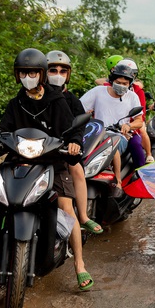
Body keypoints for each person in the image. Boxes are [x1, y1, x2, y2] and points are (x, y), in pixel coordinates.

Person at [0, 48, 93, 292]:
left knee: (67, 209)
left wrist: (74, 143)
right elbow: (3, 132)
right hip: (19, 161)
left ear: (42, 74)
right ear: (18, 75)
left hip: (54, 162)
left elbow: (73, 129)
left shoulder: (57, 102)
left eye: (33, 72)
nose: (28, 76)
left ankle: (79, 263)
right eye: (24, 72)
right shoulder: (16, 104)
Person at [46, 50, 104, 235]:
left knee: (77, 169)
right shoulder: (35, 96)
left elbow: (79, 127)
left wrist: (75, 143)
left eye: (63, 71)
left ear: (68, 75)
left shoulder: (72, 100)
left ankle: (84, 217)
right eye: (52, 70)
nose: (58, 75)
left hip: (61, 150)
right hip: (35, 148)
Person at [80, 64, 145, 185]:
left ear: (130, 84)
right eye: (118, 82)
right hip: (96, 133)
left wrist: (129, 126)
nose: (121, 86)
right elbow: (79, 108)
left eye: (125, 84)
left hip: (119, 135)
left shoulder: (132, 97)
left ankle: (118, 181)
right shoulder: (98, 92)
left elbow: (139, 120)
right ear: (111, 81)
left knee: (111, 145)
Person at [117, 58, 154, 163]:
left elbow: (140, 114)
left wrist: (129, 126)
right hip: (109, 129)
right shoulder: (106, 89)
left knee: (136, 144)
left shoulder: (137, 91)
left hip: (130, 128)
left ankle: (142, 167)